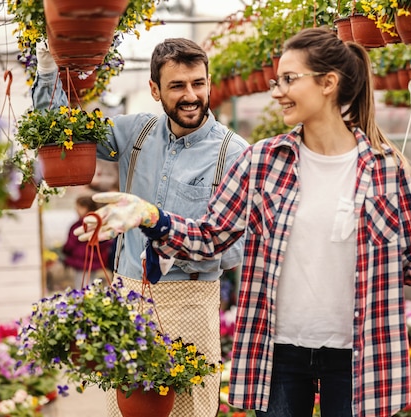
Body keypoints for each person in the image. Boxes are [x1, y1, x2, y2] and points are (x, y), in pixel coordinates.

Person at [74, 27, 411, 417]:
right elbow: (211, 237)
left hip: (359, 355)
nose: (277, 91)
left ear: (328, 83)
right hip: (278, 355)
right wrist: (152, 216)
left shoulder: (385, 169)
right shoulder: (261, 162)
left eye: (289, 79)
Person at [32, 38, 248, 417]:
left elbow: (234, 249)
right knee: (127, 410)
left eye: (198, 83)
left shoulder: (232, 153)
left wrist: (165, 241)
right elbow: (65, 132)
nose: (191, 95)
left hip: (191, 304)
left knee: (189, 410)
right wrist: (50, 72)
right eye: (177, 86)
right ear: (154, 89)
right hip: (129, 298)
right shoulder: (137, 133)